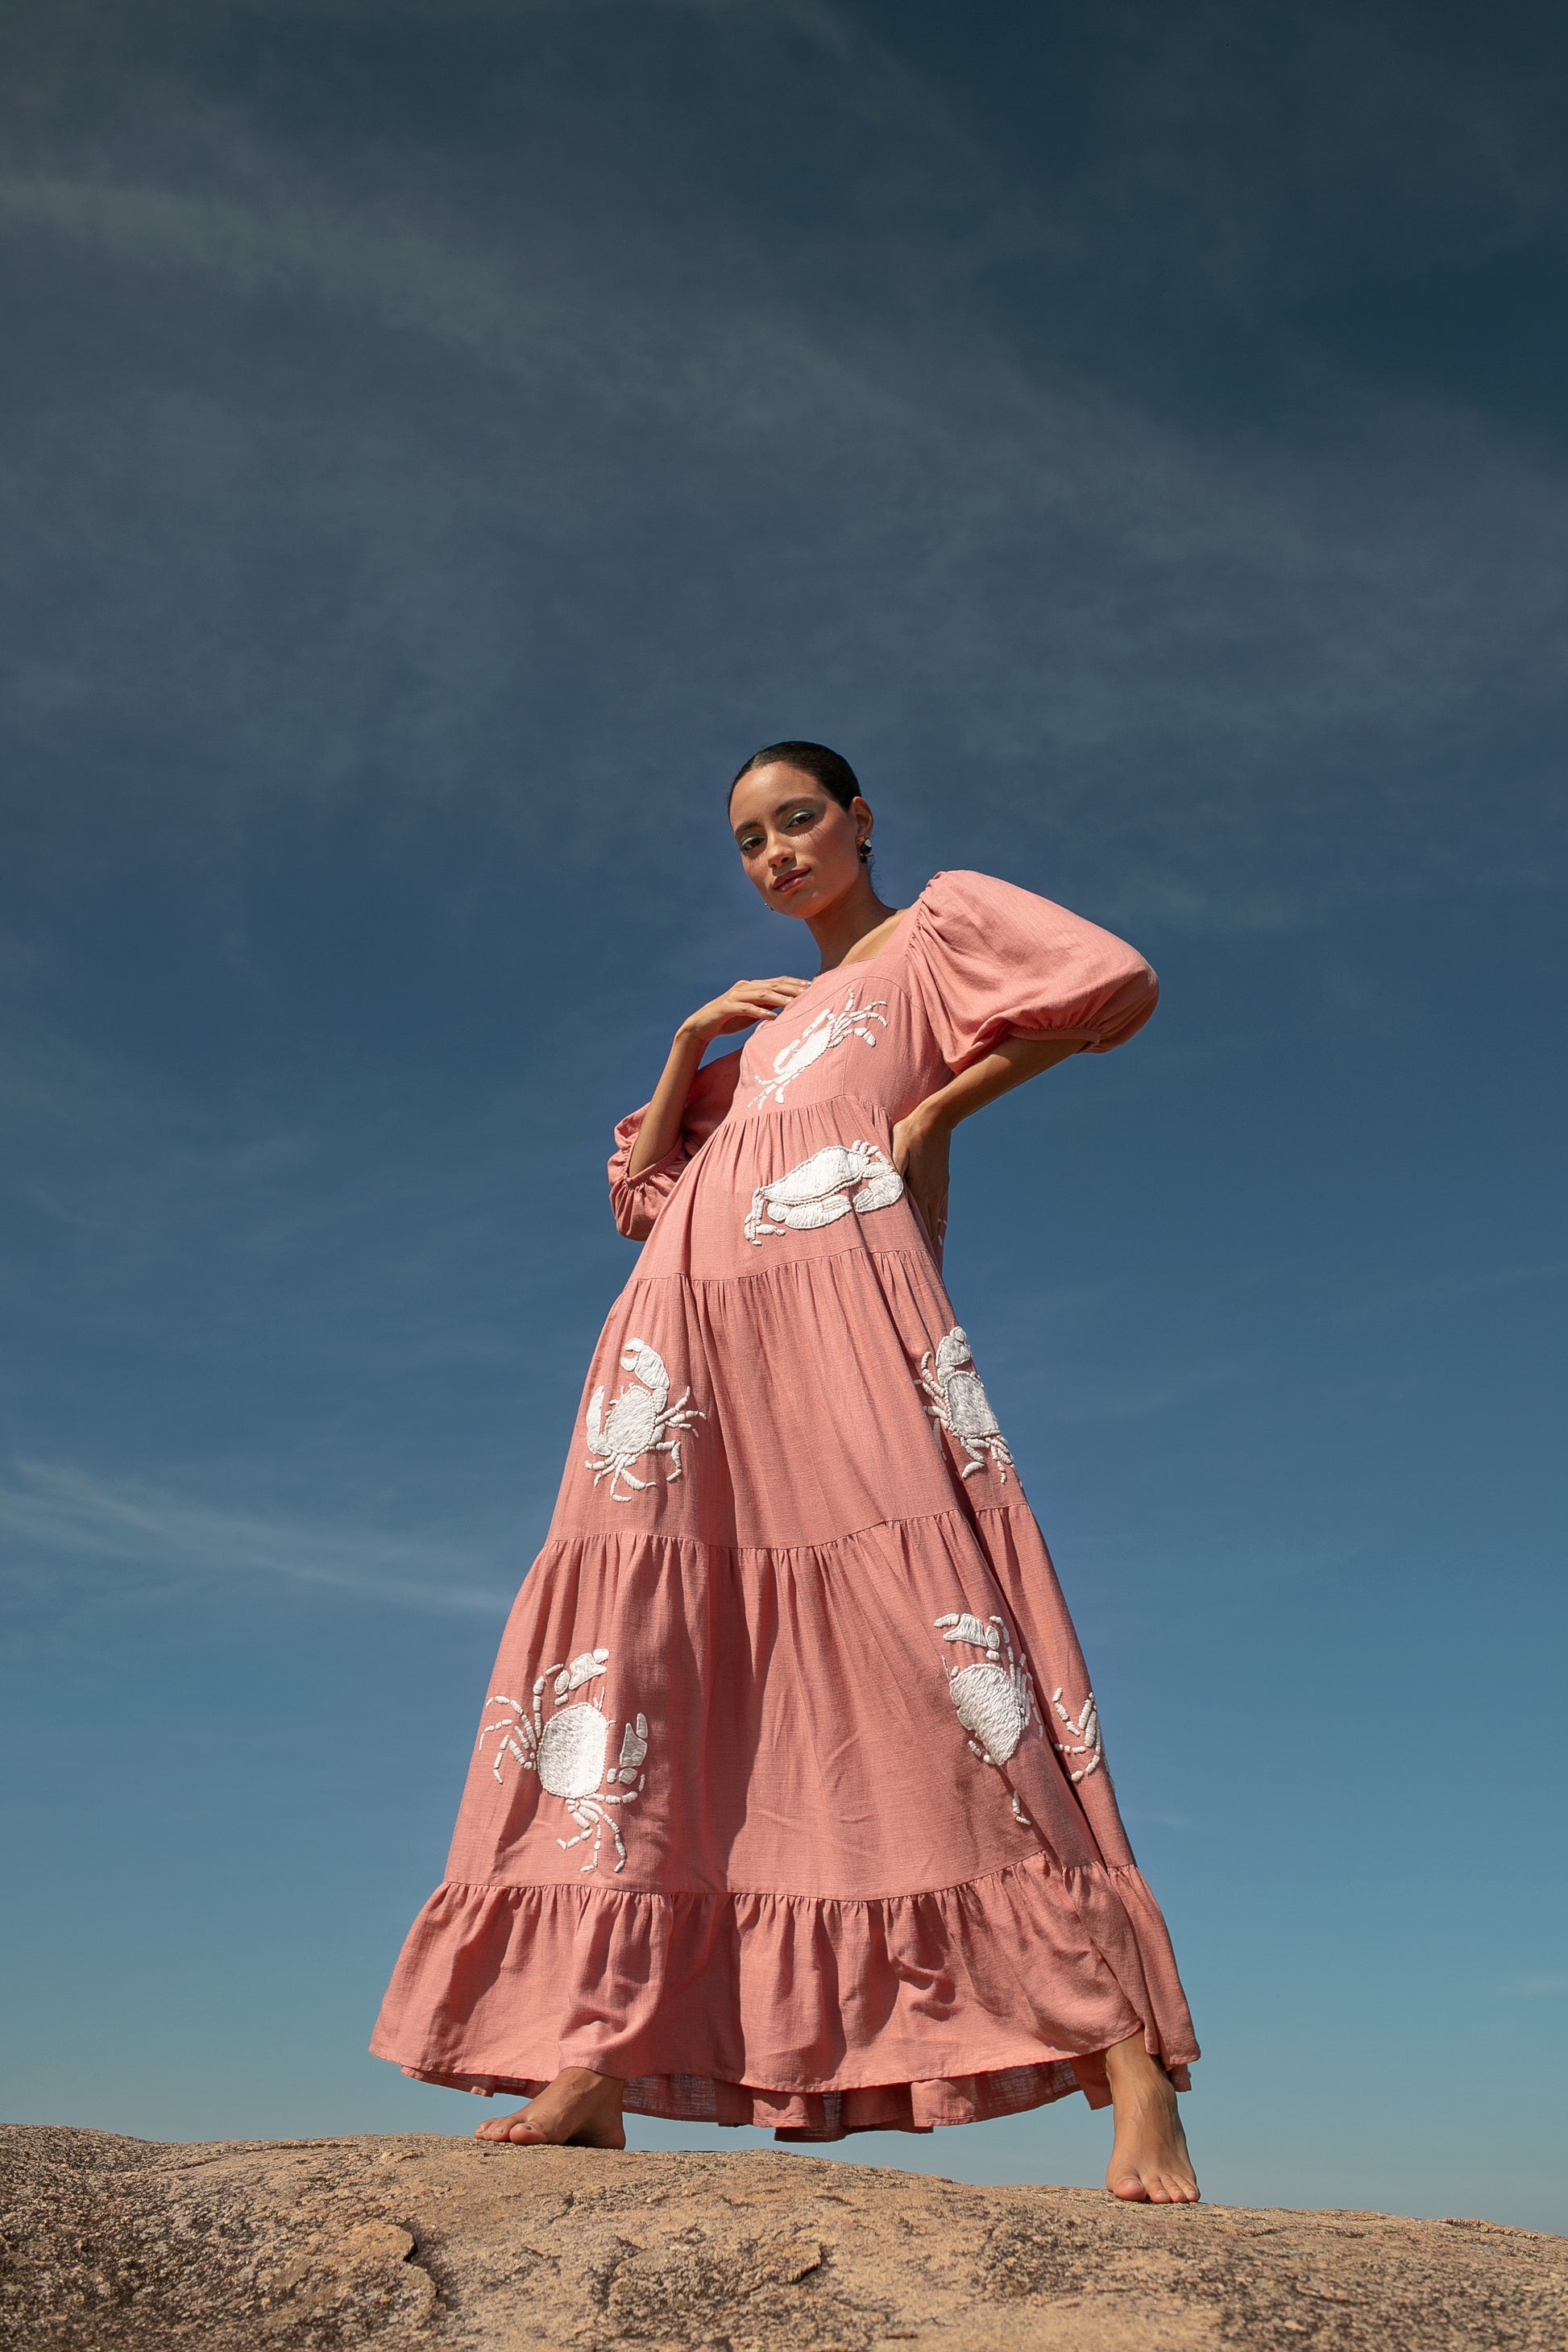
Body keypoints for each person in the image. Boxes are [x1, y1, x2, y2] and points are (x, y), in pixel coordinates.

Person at [371, 742, 1200, 2202]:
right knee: (641, 1662)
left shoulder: (931, 934)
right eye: (750, 840)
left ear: (859, 819)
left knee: (936, 1644)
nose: (776, 855)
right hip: (682, 1339)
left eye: (798, 820)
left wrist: (931, 1115)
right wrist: (686, 1042)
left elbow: (1106, 983)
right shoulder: (754, 1039)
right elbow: (644, 1197)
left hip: (841, 1309)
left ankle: (1125, 2063)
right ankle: (594, 2058)